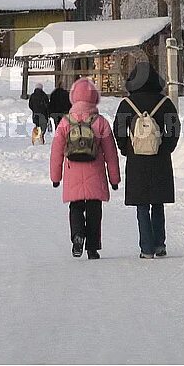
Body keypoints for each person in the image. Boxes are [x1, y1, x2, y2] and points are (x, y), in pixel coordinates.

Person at [114, 62, 180, 259]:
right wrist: (166, 148)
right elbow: (174, 129)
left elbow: (118, 129)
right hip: (160, 160)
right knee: (158, 203)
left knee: (142, 205)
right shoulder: (165, 102)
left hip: (137, 161)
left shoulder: (127, 104)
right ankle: (160, 245)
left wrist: (126, 148)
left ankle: (146, 248)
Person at [50, 78, 121, 259]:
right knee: (94, 211)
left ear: (73, 97)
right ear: (94, 98)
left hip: (73, 172)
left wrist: (55, 177)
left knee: (75, 208)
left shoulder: (65, 122)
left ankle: (77, 235)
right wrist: (114, 179)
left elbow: (56, 152)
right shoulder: (101, 122)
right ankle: (92, 248)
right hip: (95, 173)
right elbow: (110, 153)